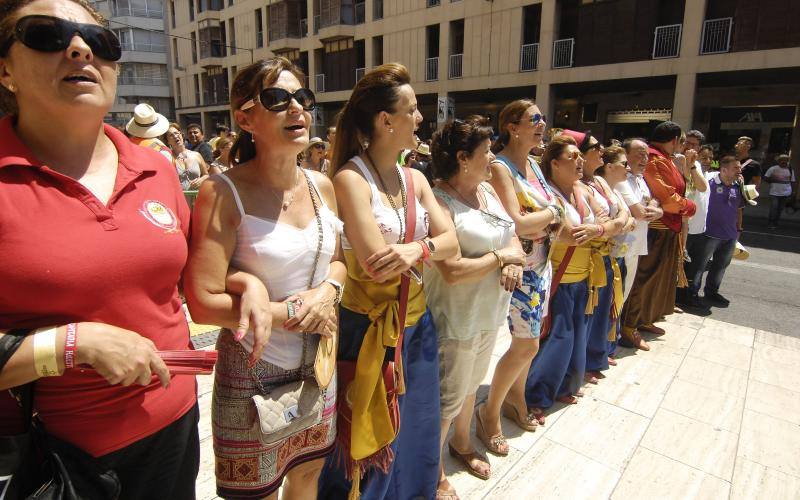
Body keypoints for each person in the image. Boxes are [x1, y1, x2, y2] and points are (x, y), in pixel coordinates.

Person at [0, 1, 251, 496]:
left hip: (174, 430)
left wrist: (248, 283)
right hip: (57, 458)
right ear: (5, 70)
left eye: (100, 41)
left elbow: (186, 279)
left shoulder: (154, 170)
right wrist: (75, 345)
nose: (79, 48)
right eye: (46, 35)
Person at [184, 57, 346, 499]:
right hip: (252, 370)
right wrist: (293, 310)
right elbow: (201, 301)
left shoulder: (321, 185)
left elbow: (337, 261)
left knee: (308, 474)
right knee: (255, 493)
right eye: (277, 99)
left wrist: (328, 292)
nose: (296, 108)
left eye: (303, 98)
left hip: (319, 362)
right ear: (245, 118)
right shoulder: (222, 191)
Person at [318, 63, 458, 500]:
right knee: (367, 433)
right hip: (366, 330)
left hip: (417, 323)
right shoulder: (349, 179)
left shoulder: (414, 178)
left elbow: (451, 243)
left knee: (417, 421)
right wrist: (427, 249)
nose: (420, 119)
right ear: (385, 121)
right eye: (413, 110)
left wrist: (416, 251)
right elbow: (376, 261)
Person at [426, 117, 523, 498]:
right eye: (486, 153)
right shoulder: (437, 201)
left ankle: (462, 443)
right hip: (455, 317)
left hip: (489, 311)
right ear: (463, 158)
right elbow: (450, 271)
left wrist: (513, 259)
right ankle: (434, 474)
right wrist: (503, 257)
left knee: (469, 389)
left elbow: (510, 232)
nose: (492, 158)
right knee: (447, 399)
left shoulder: (486, 191)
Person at [485, 99, 561, 446]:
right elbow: (516, 222)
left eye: (542, 118)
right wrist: (552, 215)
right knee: (527, 346)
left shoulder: (534, 165)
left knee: (527, 343)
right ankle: (488, 411)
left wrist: (544, 219)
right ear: (512, 127)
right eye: (534, 119)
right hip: (519, 270)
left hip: (542, 264)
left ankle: (516, 400)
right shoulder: (500, 168)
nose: (542, 123)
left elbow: (542, 218)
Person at [525, 135, 607, 411]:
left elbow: (614, 220)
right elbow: (572, 236)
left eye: (580, 156)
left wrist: (598, 229)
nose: (580, 161)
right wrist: (604, 230)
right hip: (558, 277)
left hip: (585, 275)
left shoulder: (581, 189)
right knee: (558, 337)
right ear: (555, 164)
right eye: (573, 157)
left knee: (576, 335)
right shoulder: (547, 196)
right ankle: (535, 395)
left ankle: (562, 386)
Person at [620, 121, 696, 350]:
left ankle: (642, 319)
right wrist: (689, 207)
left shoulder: (664, 159)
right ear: (673, 140)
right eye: (681, 141)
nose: (643, 159)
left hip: (664, 227)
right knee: (642, 279)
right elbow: (667, 197)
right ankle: (629, 326)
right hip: (656, 230)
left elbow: (660, 198)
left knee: (655, 280)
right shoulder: (655, 158)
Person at [563, 131, 630, 382]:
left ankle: (593, 359)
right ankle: (584, 364)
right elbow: (612, 222)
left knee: (601, 311)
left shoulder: (598, 182)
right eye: (593, 147)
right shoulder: (583, 186)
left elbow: (623, 214)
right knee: (585, 316)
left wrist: (613, 224)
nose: (599, 151)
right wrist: (612, 226)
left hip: (606, 254)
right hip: (591, 257)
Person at [684, 156, 745, 308]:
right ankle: (691, 294)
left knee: (721, 266)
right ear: (723, 170)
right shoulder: (709, 183)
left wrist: (739, 228)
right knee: (700, 265)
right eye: (735, 168)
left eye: (739, 167)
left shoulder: (738, 185)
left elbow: (739, 209)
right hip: (709, 234)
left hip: (730, 235)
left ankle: (712, 292)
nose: (739, 170)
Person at [596, 146, 637, 363]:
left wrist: (622, 222)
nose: (628, 169)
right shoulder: (596, 188)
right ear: (609, 166)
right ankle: (598, 351)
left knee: (614, 303)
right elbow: (610, 224)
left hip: (617, 255)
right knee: (602, 307)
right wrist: (622, 222)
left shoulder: (617, 192)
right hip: (603, 256)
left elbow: (629, 220)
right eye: (624, 164)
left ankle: (606, 347)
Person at [615, 139, 663, 303]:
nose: (644, 160)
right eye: (640, 155)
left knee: (624, 294)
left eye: (647, 156)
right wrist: (656, 211)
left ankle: (616, 328)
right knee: (615, 296)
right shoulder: (621, 180)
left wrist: (657, 208)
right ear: (625, 155)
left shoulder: (640, 179)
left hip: (635, 245)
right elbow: (640, 213)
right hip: (619, 247)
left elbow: (651, 200)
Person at [166, 122, 210, 191]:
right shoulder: (168, 158)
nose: (175, 136)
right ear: (168, 141)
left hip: (198, 198)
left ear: (181, 135)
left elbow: (206, 175)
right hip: (179, 199)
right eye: (171, 135)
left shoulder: (196, 155)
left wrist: (201, 180)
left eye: (176, 133)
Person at [764, 154, 794, 229]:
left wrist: (793, 192)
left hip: (786, 193)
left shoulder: (790, 170)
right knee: (774, 207)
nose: (784, 162)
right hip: (774, 192)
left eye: (786, 161)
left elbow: (792, 181)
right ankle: (770, 222)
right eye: (782, 161)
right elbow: (766, 178)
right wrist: (774, 180)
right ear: (779, 161)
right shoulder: (773, 169)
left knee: (780, 209)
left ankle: (775, 222)